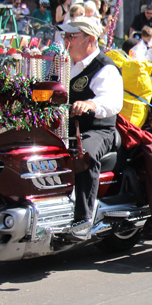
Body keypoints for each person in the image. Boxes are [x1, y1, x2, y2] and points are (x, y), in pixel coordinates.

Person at [58, 17, 123, 240]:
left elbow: (113, 101)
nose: (66, 41)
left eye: (71, 36)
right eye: (65, 36)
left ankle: (82, 220)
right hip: (63, 127)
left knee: (83, 152)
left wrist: (91, 104)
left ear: (90, 39)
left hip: (97, 130)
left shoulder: (105, 67)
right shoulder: (64, 63)